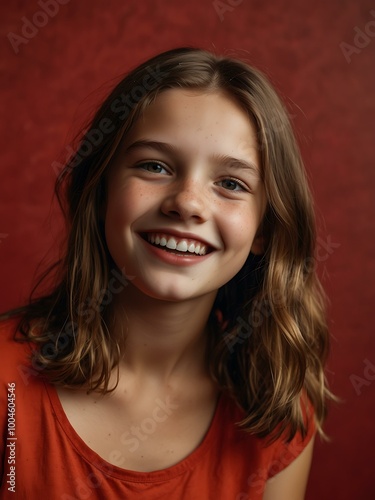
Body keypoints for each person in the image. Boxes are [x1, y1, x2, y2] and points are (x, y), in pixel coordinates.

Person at [0, 47, 334, 499]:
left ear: (264, 228)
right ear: (101, 193)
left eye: (231, 183)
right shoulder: (8, 386)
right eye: (155, 166)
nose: (188, 202)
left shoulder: (277, 411)